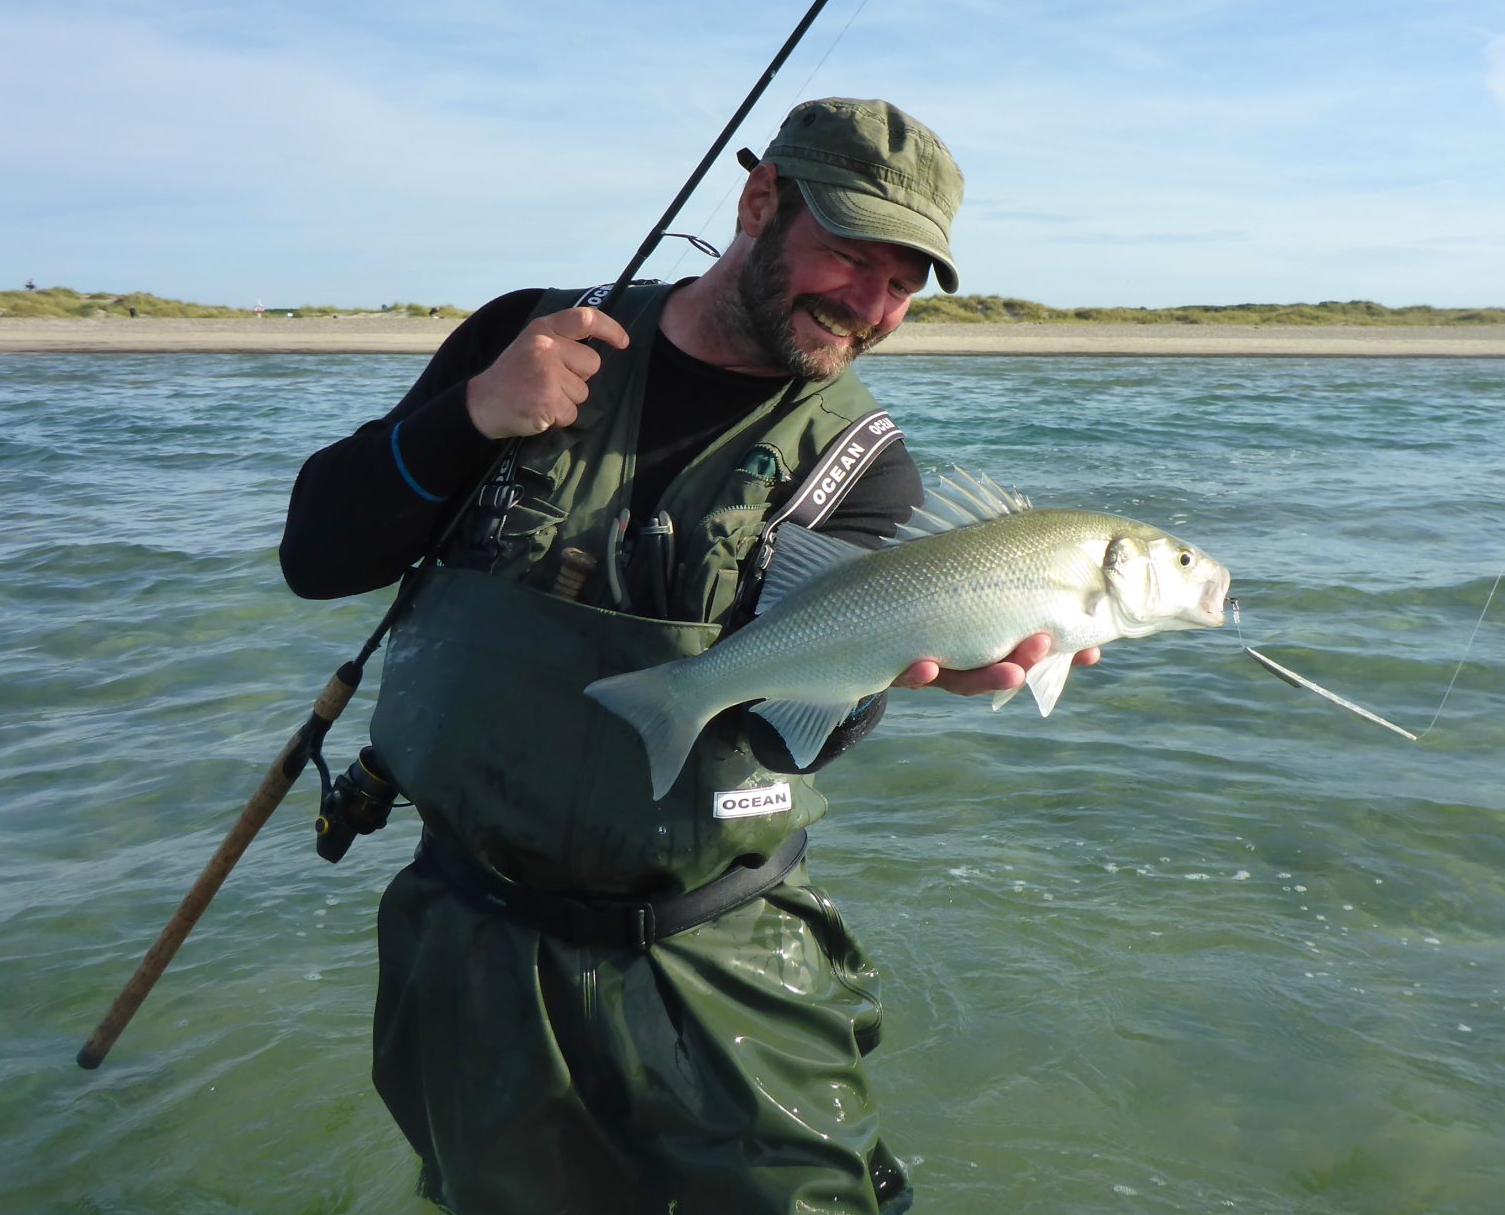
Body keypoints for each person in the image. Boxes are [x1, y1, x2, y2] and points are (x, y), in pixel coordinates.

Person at [280, 98, 1094, 1215]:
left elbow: (773, 737)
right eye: (851, 257)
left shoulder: (864, 469)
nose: (869, 306)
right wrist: (471, 414)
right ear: (759, 203)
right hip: (467, 937)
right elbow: (319, 556)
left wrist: (889, 673)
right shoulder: (533, 334)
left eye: (903, 285)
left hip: (722, 946)